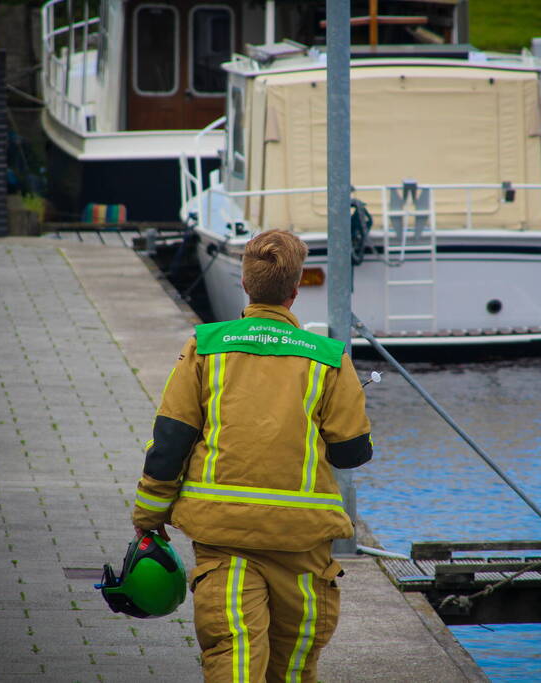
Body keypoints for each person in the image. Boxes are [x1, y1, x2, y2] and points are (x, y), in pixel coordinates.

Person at [132, 229, 373, 682]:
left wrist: (149, 513)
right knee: (295, 663)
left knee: (234, 655)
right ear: (295, 290)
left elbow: (169, 442)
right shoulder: (328, 358)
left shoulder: (205, 347)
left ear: (245, 284)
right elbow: (350, 454)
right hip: (301, 540)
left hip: (224, 535)